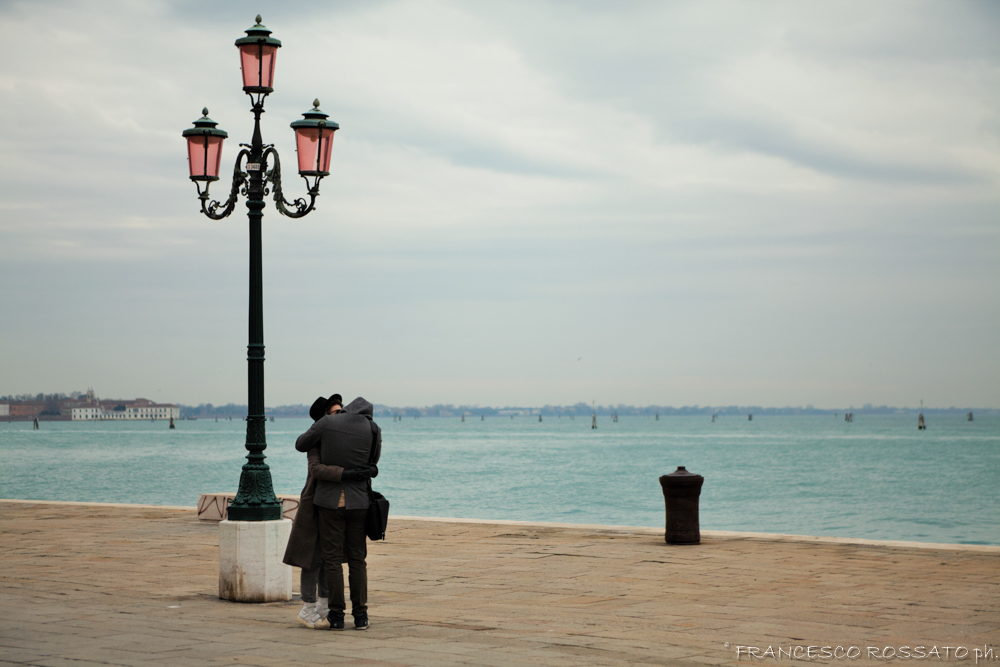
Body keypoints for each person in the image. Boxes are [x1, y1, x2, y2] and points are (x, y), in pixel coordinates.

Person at [295, 396, 380, 630]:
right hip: (359, 501)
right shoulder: (373, 428)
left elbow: (300, 444)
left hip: (330, 502)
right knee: (357, 560)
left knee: (332, 560)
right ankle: (361, 616)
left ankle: (337, 616)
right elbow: (373, 462)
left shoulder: (325, 426)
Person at [283, 393, 347, 629]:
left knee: (329, 555)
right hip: (314, 502)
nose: (339, 416)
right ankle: (307, 607)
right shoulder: (315, 440)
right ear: (324, 419)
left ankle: (324, 604)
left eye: (341, 412)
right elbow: (316, 469)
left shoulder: (340, 439)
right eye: (334, 413)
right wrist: (344, 472)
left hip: (333, 503)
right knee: (311, 557)